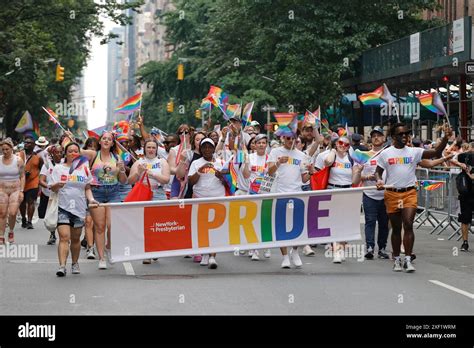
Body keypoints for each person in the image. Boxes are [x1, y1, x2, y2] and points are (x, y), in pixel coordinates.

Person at [375, 123, 452, 273]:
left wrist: (445, 138)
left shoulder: (414, 151)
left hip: (409, 192)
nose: (405, 136)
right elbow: (378, 171)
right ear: (393, 137)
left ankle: (408, 260)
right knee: (396, 229)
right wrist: (379, 180)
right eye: (401, 134)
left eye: (407, 133)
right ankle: (397, 259)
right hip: (391, 193)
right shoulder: (386, 153)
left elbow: (436, 152)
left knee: (408, 224)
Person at [80, 131, 128, 269]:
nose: (106, 141)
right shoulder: (93, 155)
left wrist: (122, 170)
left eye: (109, 139)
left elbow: (123, 181)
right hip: (96, 193)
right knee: (100, 227)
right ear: (100, 142)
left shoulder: (117, 157)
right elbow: (78, 151)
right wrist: (67, 138)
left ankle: (109, 247)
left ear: (113, 143)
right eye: (104, 139)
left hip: (114, 192)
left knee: (112, 226)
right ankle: (101, 258)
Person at [50, 142, 98, 277]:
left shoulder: (84, 169)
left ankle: (75, 263)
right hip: (63, 207)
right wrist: (57, 185)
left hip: (79, 208)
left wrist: (92, 200)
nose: (73, 153)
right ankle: (62, 266)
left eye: (75, 151)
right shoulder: (58, 168)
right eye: (70, 151)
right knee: (64, 237)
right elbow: (52, 188)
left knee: (76, 239)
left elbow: (87, 187)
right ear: (66, 153)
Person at [267, 134, 314, 268]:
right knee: (281, 226)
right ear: (283, 139)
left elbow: (304, 179)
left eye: (294, 139)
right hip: (280, 193)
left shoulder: (301, 155)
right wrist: (278, 162)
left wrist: (310, 172)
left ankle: (295, 251)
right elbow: (269, 172)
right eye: (288, 138)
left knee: (297, 225)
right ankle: (285, 257)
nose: (291, 141)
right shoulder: (275, 152)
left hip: (297, 194)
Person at [188, 138, 227, 269]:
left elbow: (229, 183)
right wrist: (200, 170)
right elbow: (191, 182)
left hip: (218, 199)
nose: (207, 149)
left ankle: (212, 256)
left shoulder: (221, 162)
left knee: (215, 229)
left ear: (214, 148)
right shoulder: (196, 163)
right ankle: (204, 253)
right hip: (200, 199)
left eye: (209, 147)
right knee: (203, 228)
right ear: (200, 149)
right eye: (204, 147)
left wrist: (221, 176)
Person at [352, 126, 390, 260]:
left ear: (384, 138)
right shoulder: (363, 155)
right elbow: (355, 179)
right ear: (370, 139)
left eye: (379, 135)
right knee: (370, 221)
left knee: (384, 223)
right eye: (374, 135)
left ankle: (382, 248)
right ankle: (369, 247)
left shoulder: (388, 153)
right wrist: (366, 176)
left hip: (386, 195)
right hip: (369, 194)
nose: (376, 137)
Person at [324, 135, 358, 263]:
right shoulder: (332, 155)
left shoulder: (351, 159)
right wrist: (333, 150)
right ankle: (336, 251)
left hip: (347, 190)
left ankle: (341, 248)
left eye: (346, 144)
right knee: (334, 221)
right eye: (340, 143)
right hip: (332, 189)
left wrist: (358, 171)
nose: (342, 146)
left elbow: (355, 180)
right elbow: (327, 162)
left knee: (345, 222)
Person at [242, 134, 271, 260]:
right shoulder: (250, 157)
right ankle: (254, 250)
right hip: (252, 194)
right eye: (258, 142)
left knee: (265, 222)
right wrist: (246, 163)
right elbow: (246, 175)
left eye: (263, 143)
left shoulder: (270, 159)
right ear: (255, 144)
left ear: (266, 144)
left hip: (266, 194)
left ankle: (266, 246)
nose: (261, 145)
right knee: (253, 222)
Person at [0, 138, 25, 244]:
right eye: (3, 149)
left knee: (13, 212)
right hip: (2, 190)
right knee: (2, 213)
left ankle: (11, 231)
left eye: (7, 149)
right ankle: (1, 235)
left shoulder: (18, 160)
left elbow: (22, 176)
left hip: (15, 189)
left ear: (11, 149)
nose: (5, 152)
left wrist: (21, 191)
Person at [39, 144, 63, 245]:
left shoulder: (65, 164)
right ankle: (52, 234)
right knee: (51, 215)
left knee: (62, 215)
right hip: (49, 195)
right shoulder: (47, 165)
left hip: (62, 194)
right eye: (56, 152)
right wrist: (50, 187)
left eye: (61, 152)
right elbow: (41, 180)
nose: (59, 154)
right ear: (52, 154)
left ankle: (63, 236)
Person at [18, 136, 43, 229]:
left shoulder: (38, 158)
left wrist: (40, 181)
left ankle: (29, 221)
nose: (26, 144)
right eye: (25, 142)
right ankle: (23, 218)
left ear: (34, 145)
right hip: (21, 183)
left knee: (31, 201)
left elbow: (42, 170)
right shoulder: (19, 155)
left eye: (29, 143)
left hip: (33, 183)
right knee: (22, 202)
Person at [455, 144, 473, 251]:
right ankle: (465, 242)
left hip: (467, 192)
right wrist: (460, 164)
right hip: (466, 192)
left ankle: (465, 243)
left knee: (465, 219)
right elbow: (452, 159)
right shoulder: (464, 157)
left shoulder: (464, 156)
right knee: (465, 219)